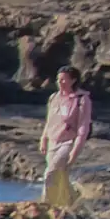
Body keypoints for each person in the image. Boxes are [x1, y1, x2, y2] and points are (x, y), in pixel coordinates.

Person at [41, 67, 92, 202]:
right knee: (61, 176)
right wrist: (43, 139)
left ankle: (47, 205)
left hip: (68, 142)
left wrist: (75, 150)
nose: (60, 82)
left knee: (49, 174)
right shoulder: (54, 98)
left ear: (73, 80)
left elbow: (83, 128)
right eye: (59, 79)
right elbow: (49, 120)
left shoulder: (81, 99)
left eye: (64, 79)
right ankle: (74, 199)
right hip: (53, 140)